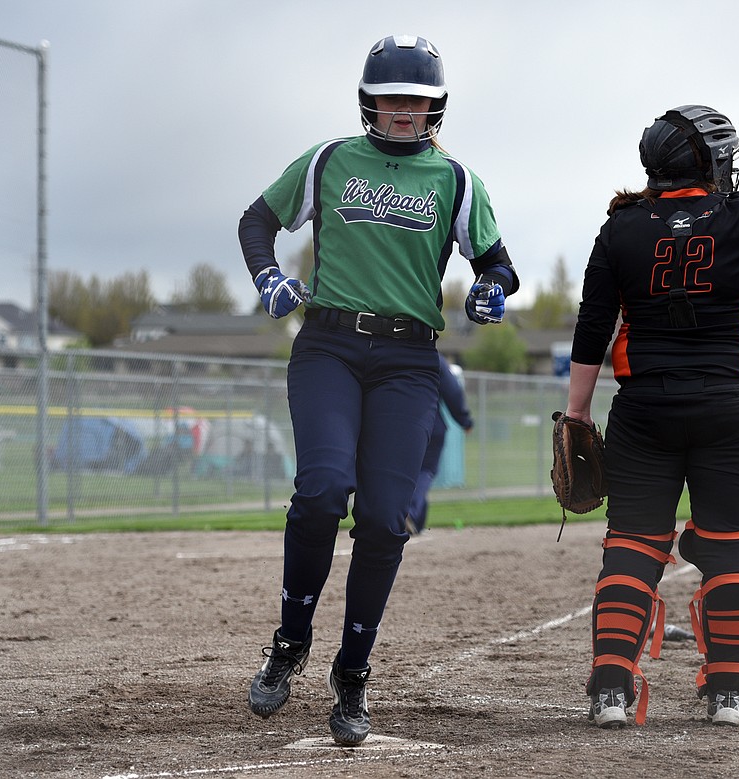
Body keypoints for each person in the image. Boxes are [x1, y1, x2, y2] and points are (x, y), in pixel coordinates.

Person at [236, 34, 518, 746]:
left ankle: (352, 670)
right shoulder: (330, 160)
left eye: (418, 101)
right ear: (368, 100)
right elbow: (256, 220)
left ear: (436, 109)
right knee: (324, 489)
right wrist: (269, 278)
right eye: (392, 97)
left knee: (389, 516)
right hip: (329, 345)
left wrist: (490, 290)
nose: (404, 111)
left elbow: (500, 265)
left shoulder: (456, 180)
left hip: (408, 359)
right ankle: (290, 640)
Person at [563, 69, 739, 729]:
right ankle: (728, 692)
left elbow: (591, 327)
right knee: (728, 544)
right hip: (729, 407)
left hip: (644, 411)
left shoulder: (620, 229)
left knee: (633, 546)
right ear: (711, 161)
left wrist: (578, 412)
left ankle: (611, 690)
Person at [405, 352, 473, 536]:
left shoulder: (388, 353)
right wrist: (465, 420)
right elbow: (452, 391)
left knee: (404, 473)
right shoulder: (433, 357)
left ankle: (415, 523)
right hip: (430, 425)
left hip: (393, 425)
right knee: (424, 473)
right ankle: (409, 513)